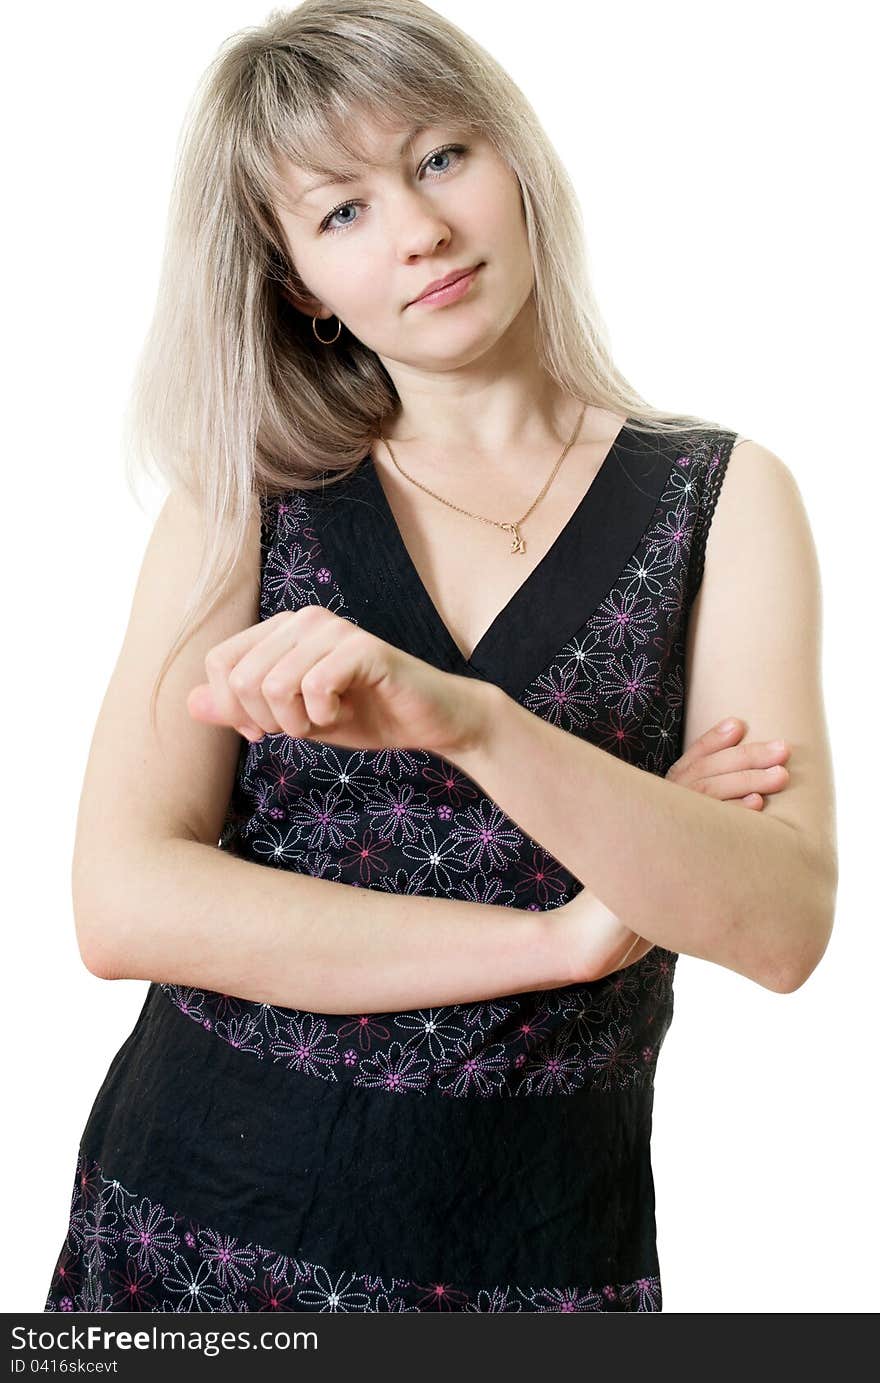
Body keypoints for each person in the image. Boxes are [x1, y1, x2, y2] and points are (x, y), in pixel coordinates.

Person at [44, 0, 837, 1313]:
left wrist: (468, 722)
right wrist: (565, 938)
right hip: (198, 1231)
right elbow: (124, 905)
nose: (418, 231)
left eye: (438, 159)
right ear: (299, 284)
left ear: (515, 161)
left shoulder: (724, 498)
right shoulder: (250, 495)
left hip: (534, 1256)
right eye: (340, 211)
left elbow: (778, 921)